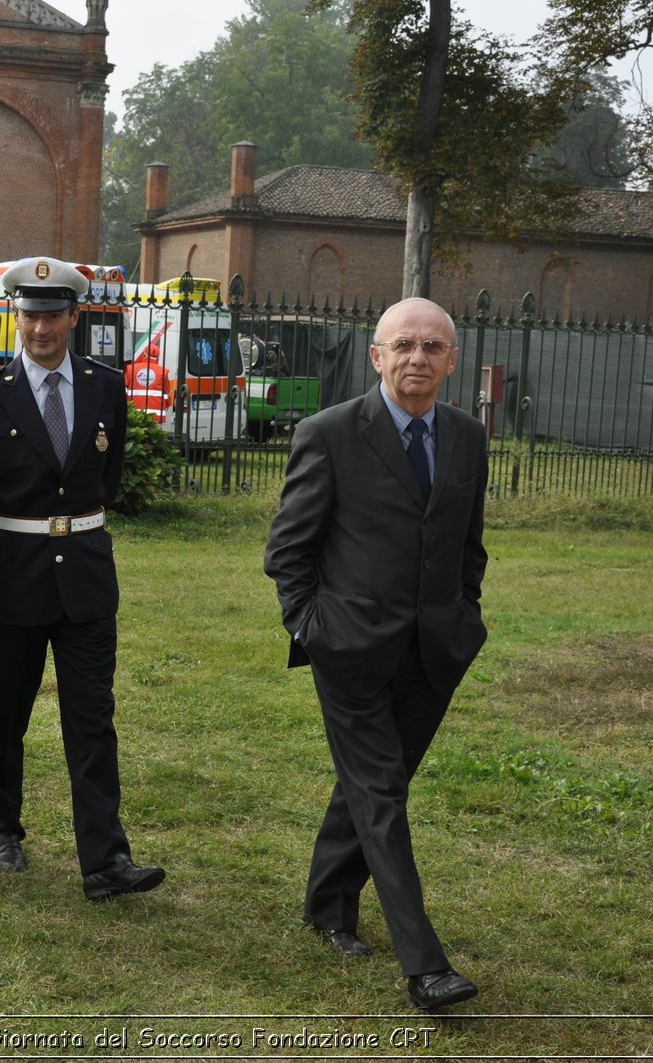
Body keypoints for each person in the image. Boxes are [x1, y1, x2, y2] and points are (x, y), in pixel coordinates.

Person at [264, 296, 487, 1011]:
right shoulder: (328, 433)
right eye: (404, 345)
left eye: (432, 347)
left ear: (451, 361)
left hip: (434, 651)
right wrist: (311, 627)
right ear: (377, 355)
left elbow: (467, 544)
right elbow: (287, 551)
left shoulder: (466, 436)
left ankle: (327, 903)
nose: (417, 358)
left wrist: (465, 616)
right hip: (349, 649)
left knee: (370, 783)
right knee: (383, 794)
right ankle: (425, 966)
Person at [0, 256, 165, 902]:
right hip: (15, 574)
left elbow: (109, 475)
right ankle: (2, 828)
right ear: (16, 319)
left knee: (92, 720)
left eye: (52, 315)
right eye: (29, 316)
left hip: (87, 581)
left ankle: (104, 860)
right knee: (5, 714)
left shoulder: (106, 387)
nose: (40, 328)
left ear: (74, 317)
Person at [124, 341, 172, 424]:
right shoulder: (163, 372)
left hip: (134, 415)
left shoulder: (131, 369)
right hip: (155, 416)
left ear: (144, 354)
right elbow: (166, 396)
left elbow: (123, 392)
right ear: (158, 357)